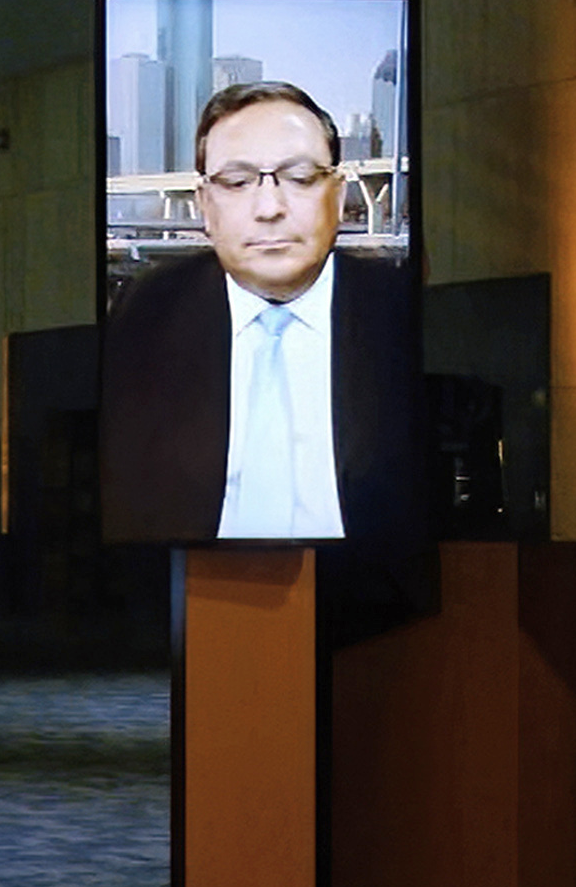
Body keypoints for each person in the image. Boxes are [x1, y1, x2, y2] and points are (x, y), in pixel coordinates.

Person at [98, 79, 421, 544]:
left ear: (337, 194)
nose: (270, 208)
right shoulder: (146, 317)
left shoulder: (400, 313)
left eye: (301, 178)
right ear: (205, 204)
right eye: (236, 182)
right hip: (195, 594)